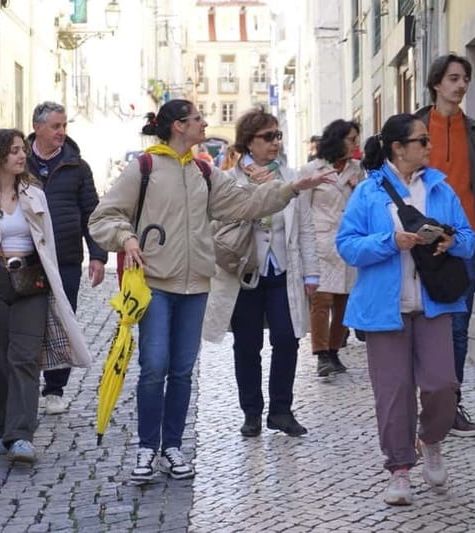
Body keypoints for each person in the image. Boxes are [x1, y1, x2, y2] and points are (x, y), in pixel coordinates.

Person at [88, 100, 333, 483]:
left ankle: (173, 448)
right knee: (154, 367)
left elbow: (246, 203)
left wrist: (291, 188)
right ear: (178, 126)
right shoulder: (144, 167)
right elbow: (103, 217)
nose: (205, 123)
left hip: (196, 286)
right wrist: (126, 238)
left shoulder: (204, 171)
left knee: (182, 371)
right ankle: (147, 448)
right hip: (156, 284)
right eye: (198, 118)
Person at [336, 113, 475, 505]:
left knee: (442, 385)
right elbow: (347, 245)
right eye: (422, 141)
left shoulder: (440, 189)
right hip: (384, 310)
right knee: (394, 393)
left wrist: (451, 242)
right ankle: (399, 469)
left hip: (435, 303)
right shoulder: (368, 192)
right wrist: (390, 241)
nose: (429, 147)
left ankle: (430, 439)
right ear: (398, 148)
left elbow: (469, 238)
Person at [0, 128, 91, 464]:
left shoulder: (35, 195)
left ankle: (21, 435)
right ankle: (4, 429)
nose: (22, 156)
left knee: (25, 357)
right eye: (15, 150)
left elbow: (47, 242)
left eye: (23, 149)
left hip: (32, 280)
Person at [204, 108, 332, 439]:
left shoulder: (291, 177)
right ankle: (251, 413)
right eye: (268, 136)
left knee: (287, 340)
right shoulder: (229, 180)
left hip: (283, 271)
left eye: (278, 136)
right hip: (244, 272)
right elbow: (216, 224)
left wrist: (311, 274)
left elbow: (305, 228)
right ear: (249, 142)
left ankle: (281, 411)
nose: (275, 142)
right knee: (247, 346)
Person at [416, 54, 475, 437]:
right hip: (419, 244)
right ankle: (423, 403)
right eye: (453, 78)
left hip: (463, 245)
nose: (462, 85)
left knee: (457, 329)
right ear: (437, 83)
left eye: (465, 78)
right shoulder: (414, 129)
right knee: (418, 326)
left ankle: (450, 408)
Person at [26, 101, 107, 415]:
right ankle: (26, 385)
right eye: (55, 126)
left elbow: (92, 214)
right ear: (37, 127)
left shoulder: (77, 166)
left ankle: (54, 389)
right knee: (27, 322)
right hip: (28, 258)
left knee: (62, 322)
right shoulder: (19, 161)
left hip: (66, 258)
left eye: (64, 126)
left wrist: (98, 255)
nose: (61, 132)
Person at [300, 119, 365, 376]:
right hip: (321, 243)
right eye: (351, 139)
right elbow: (303, 209)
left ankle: (335, 350)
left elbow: (363, 204)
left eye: (356, 139)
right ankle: (321, 354)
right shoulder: (312, 170)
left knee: (343, 300)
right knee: (321, 299)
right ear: (337, 139)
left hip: (347, 242)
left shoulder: (357, 170)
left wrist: (357, 189)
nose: (355, 144)